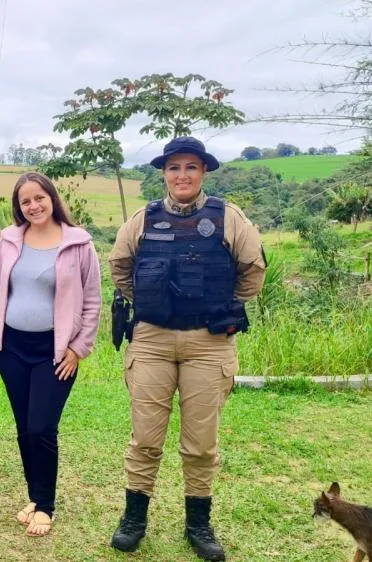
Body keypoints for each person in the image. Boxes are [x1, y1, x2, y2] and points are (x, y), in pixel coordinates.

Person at [107, 137, 266, 561]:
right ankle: (134, 519)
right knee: (145, 439)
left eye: (191, 167)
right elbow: (120, 266)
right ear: (163, 173)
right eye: (174, 167)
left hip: (209, 343)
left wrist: (222, 304)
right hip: (153, 339)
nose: (182, 175)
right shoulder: (143, 219)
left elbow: (253, 269)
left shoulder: (229, 218)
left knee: (201, 444)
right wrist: (146, 300)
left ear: (204, 172)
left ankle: (198, 524)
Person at [0, 172, 102, 537]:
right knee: (24, 429)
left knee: (41, 427)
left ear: (52, 198)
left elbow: (92, 301)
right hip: (12, 349)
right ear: (18, 207)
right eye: (25, 201)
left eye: (39, 198)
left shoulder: (79, 243)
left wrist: (77, 348)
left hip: (55, 352)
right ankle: (35, 498)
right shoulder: (8, 240)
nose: (33, 205)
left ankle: (47, 506)